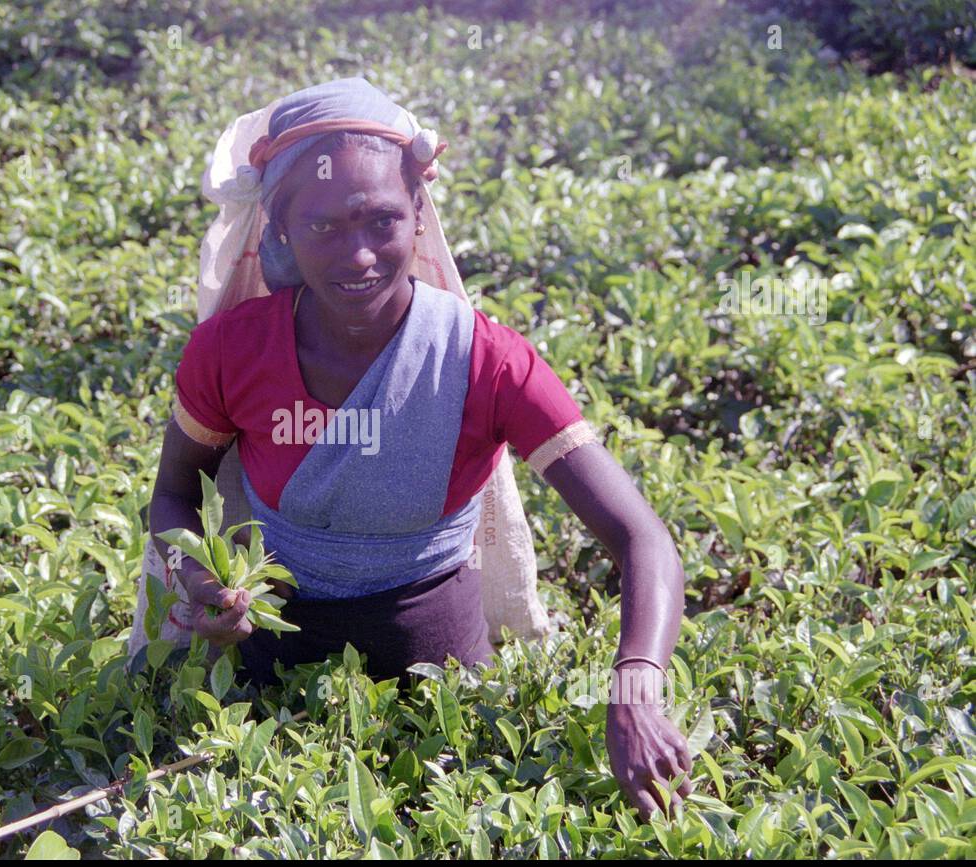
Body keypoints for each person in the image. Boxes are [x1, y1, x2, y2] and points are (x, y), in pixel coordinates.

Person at [147, 76, 693, 821]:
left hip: (445, 694)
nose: (360, 255)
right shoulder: (230, 351)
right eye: (323, 227)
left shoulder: (485, 360)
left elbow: (641, 538)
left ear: (418, 215)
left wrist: (634, 688)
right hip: (270, 687)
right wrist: (199, 577)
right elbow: (175, 493)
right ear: (278, 231)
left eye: (382, 221)